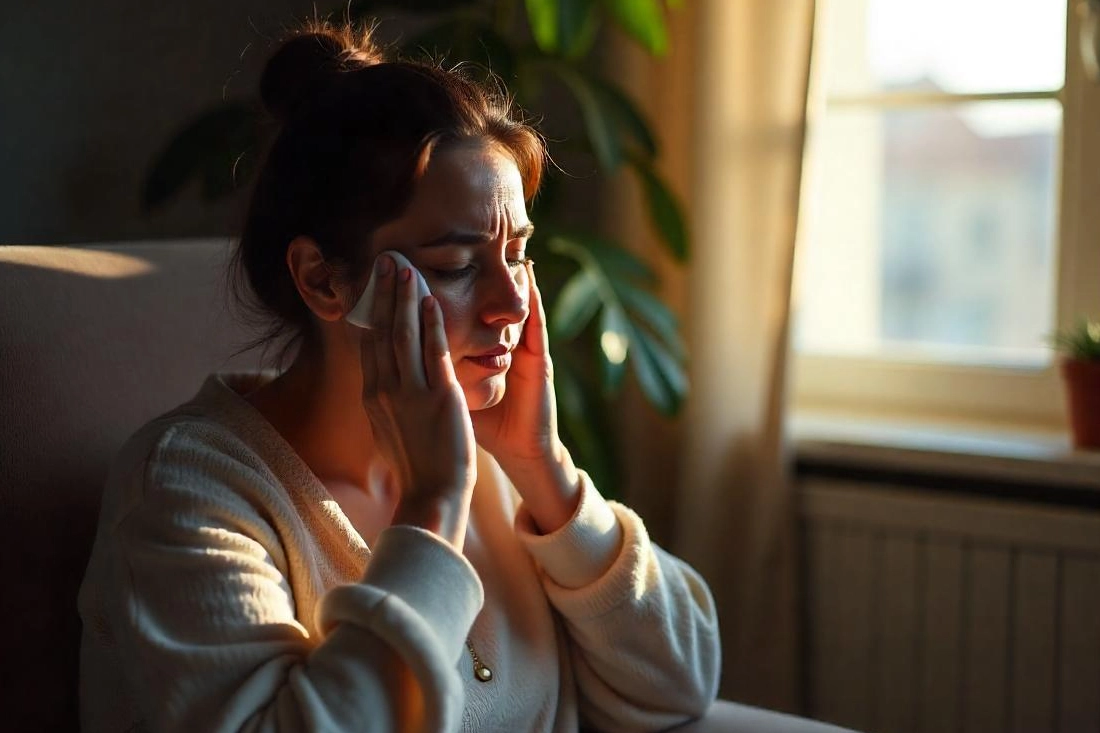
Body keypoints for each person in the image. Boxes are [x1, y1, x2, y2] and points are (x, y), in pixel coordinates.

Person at [77, 21, 722, 733]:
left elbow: (679, 685)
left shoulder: (504, 468)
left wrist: (546, 471)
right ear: (322, 279)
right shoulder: (190, 489)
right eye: (456, 265)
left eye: (516, 253)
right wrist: (433, 506)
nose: (511, 302)